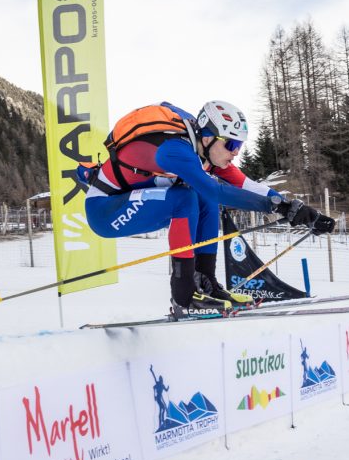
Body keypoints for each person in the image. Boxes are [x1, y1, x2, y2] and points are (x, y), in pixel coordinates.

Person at [82, 100, 335, 318]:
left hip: (133, 201)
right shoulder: (175, 150)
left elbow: (247, 185)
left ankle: (206, 284)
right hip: (105, 210)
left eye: (239, 147)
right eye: (232, 145)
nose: (235, 154)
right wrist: (277, 207)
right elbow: (215, 190)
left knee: (201, 197)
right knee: (189, 196)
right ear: (208, 137)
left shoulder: (205, 152)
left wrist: (298, 210)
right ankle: (184, 297)